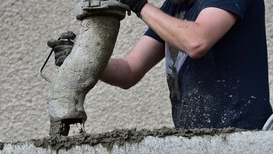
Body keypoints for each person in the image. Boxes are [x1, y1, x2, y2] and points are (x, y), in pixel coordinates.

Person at [99, 0, 272, 129]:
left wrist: (140, 6)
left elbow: (197, 41)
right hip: (194, 141)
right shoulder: (174, 7)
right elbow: (129, 70)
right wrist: (81, 57)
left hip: (244, 137)